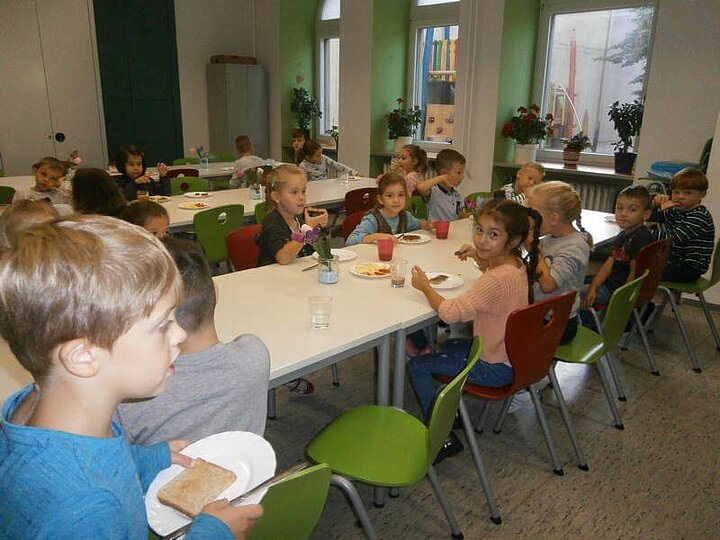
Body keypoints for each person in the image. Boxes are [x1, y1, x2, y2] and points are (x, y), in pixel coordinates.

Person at [0, 215, 262, 539]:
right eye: (163, 324)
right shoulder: (83, 512)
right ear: (83, 357)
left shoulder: (57, 409)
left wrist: (146, 459)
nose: (180, 334)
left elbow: (100, 458)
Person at [407, 199, 540, 461]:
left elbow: (449, 313)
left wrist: (424, 286)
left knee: (418, 365)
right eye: (479, 230)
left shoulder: (495, 279)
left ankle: (442, 438)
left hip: (495, 367)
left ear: (513, 241)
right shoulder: (516, 266)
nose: (482, 240)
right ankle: (451, 412)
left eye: (493, 235)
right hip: (514, 357)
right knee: (450, 347)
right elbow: (495, 284)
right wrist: (479, 258)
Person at [116, 237, 270, 445]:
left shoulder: (128, 397)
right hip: (247, 474)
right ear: (215, 292)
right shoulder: (255, 354)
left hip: (173, 478)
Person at [257, 164, 329, 396]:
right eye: (294, 192)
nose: (301, 197)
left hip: (292, 283)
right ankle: (285, 371)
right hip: (270, 290)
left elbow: (312, 246)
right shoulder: (273, 222)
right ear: (277, 196)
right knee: (288, 326)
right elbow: (283, 257)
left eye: (303, 191)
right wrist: (307, 232)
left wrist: (316, 231)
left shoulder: (297, 219)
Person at [527, 181, 591, 344]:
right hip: (542, 313)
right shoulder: (550, 238)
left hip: (557, 324)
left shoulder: (574, 247)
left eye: (533, 213)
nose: (529, 218)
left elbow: (548, 286)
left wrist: (534, 249)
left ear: (554, 218)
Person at [580, 185, 653, 317]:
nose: (623, 214)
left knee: (571, 295)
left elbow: (634, 274)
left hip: (616, 291)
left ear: (646, 214)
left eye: (632, 210)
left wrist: (623, 303)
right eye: (619, 208)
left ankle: (589, 325)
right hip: (612, 284)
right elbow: (608, 265)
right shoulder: (623, 235)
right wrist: (593, 288)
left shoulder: (641, 238)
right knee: (582, 283)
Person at [653, 168, 715, 282]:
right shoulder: (678, 210)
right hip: (677, 262)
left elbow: (673, 239)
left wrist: (646, 234)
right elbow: (653, 217)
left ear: (702, 194)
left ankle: (639, 299)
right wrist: (655, 203)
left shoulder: (698, 216)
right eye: (676, 192)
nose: (680, 196)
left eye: (688, 193)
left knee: (638, 269)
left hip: (688, 268)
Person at [345, 172, 432, 246]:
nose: (396, 200)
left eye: (401, 195)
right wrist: (376, 237)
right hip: (375, 261)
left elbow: (419, 224)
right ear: (380, 199)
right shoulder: (372, 219)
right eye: (390, 196)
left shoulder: (405, 216)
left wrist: (429, 224)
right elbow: (350, 241)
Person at [415, 148, 466, 221]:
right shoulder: (434, 191)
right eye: (459, 172)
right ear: (444, 173)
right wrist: (441, 178)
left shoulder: (456, 194)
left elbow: (460, 216)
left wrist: (472, 215)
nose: (462, 176)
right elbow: (420, 188)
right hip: (436, 230)